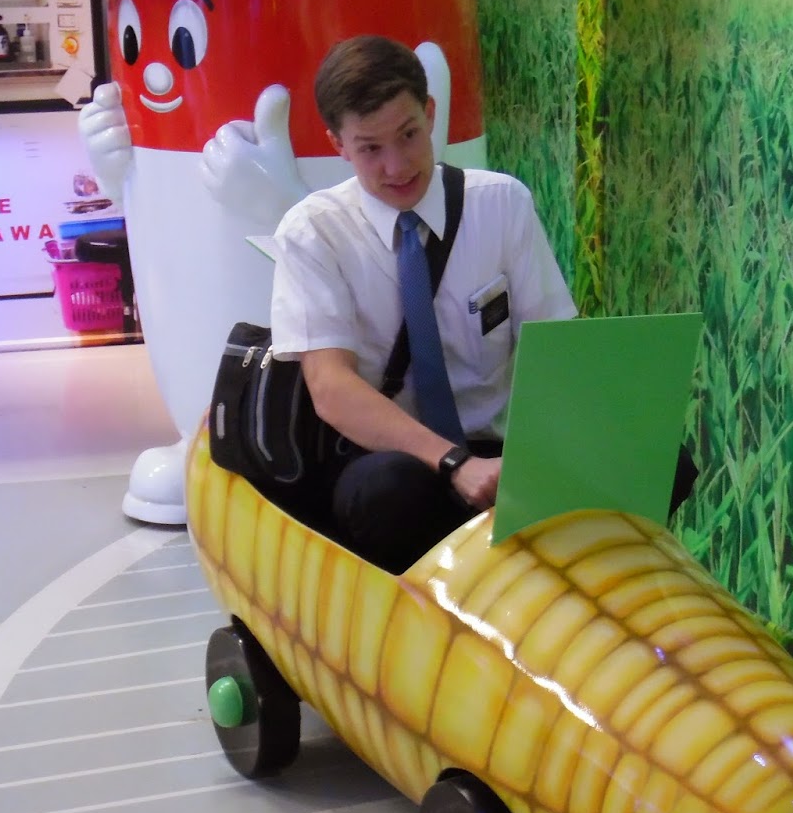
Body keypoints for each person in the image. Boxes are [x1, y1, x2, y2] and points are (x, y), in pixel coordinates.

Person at [269, 35, 693, 572]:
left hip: (503, 451)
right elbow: (331, 389)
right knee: (385, 491)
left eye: (408, 135)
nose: (397, 166)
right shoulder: (313, 232)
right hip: (397, 457)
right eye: (371, 149)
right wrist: (453, 463)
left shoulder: (501, 203)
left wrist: (558, 451)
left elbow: (555, 347)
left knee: (663, 457)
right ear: (338, 145)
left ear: (430, 114)